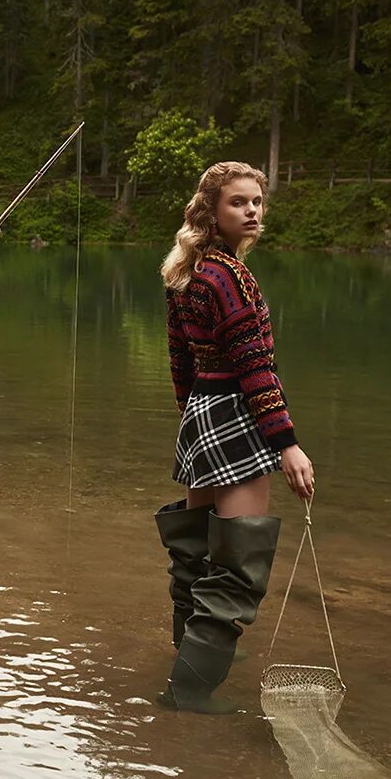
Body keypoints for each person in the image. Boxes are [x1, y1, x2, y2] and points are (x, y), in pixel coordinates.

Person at [156, 160, 314, 712]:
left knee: (195, 552)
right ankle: (191, 692)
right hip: (236, 414)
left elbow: (180, 361)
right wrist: (287, 442)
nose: (251, 211)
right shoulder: (231, 277)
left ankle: (188, 656)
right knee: (238, 566)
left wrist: (190, 419)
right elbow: (256, 369)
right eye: (238, 203)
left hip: (202, 413)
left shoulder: (189, 272)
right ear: (211, 212)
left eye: (256, 202)